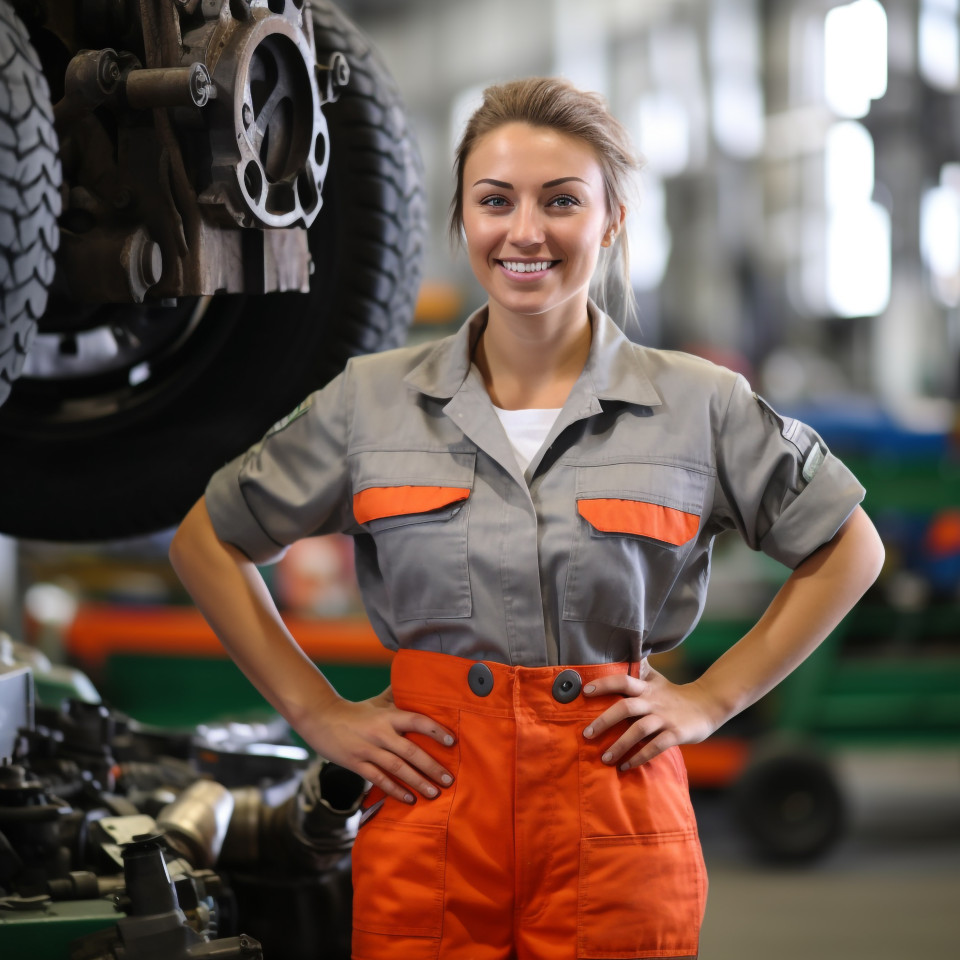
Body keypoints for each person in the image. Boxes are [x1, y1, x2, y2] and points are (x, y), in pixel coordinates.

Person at [169, 77, 885, 960]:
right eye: (495, 200)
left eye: (562, 201)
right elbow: (210, 538)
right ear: (463, 218)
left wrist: (712, 699)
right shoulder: (372, 402)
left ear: (611, 221)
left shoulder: (698, 404)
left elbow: (848, 543)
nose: (525, 232)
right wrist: (317, 713)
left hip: (614, 805)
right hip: (429, 808)